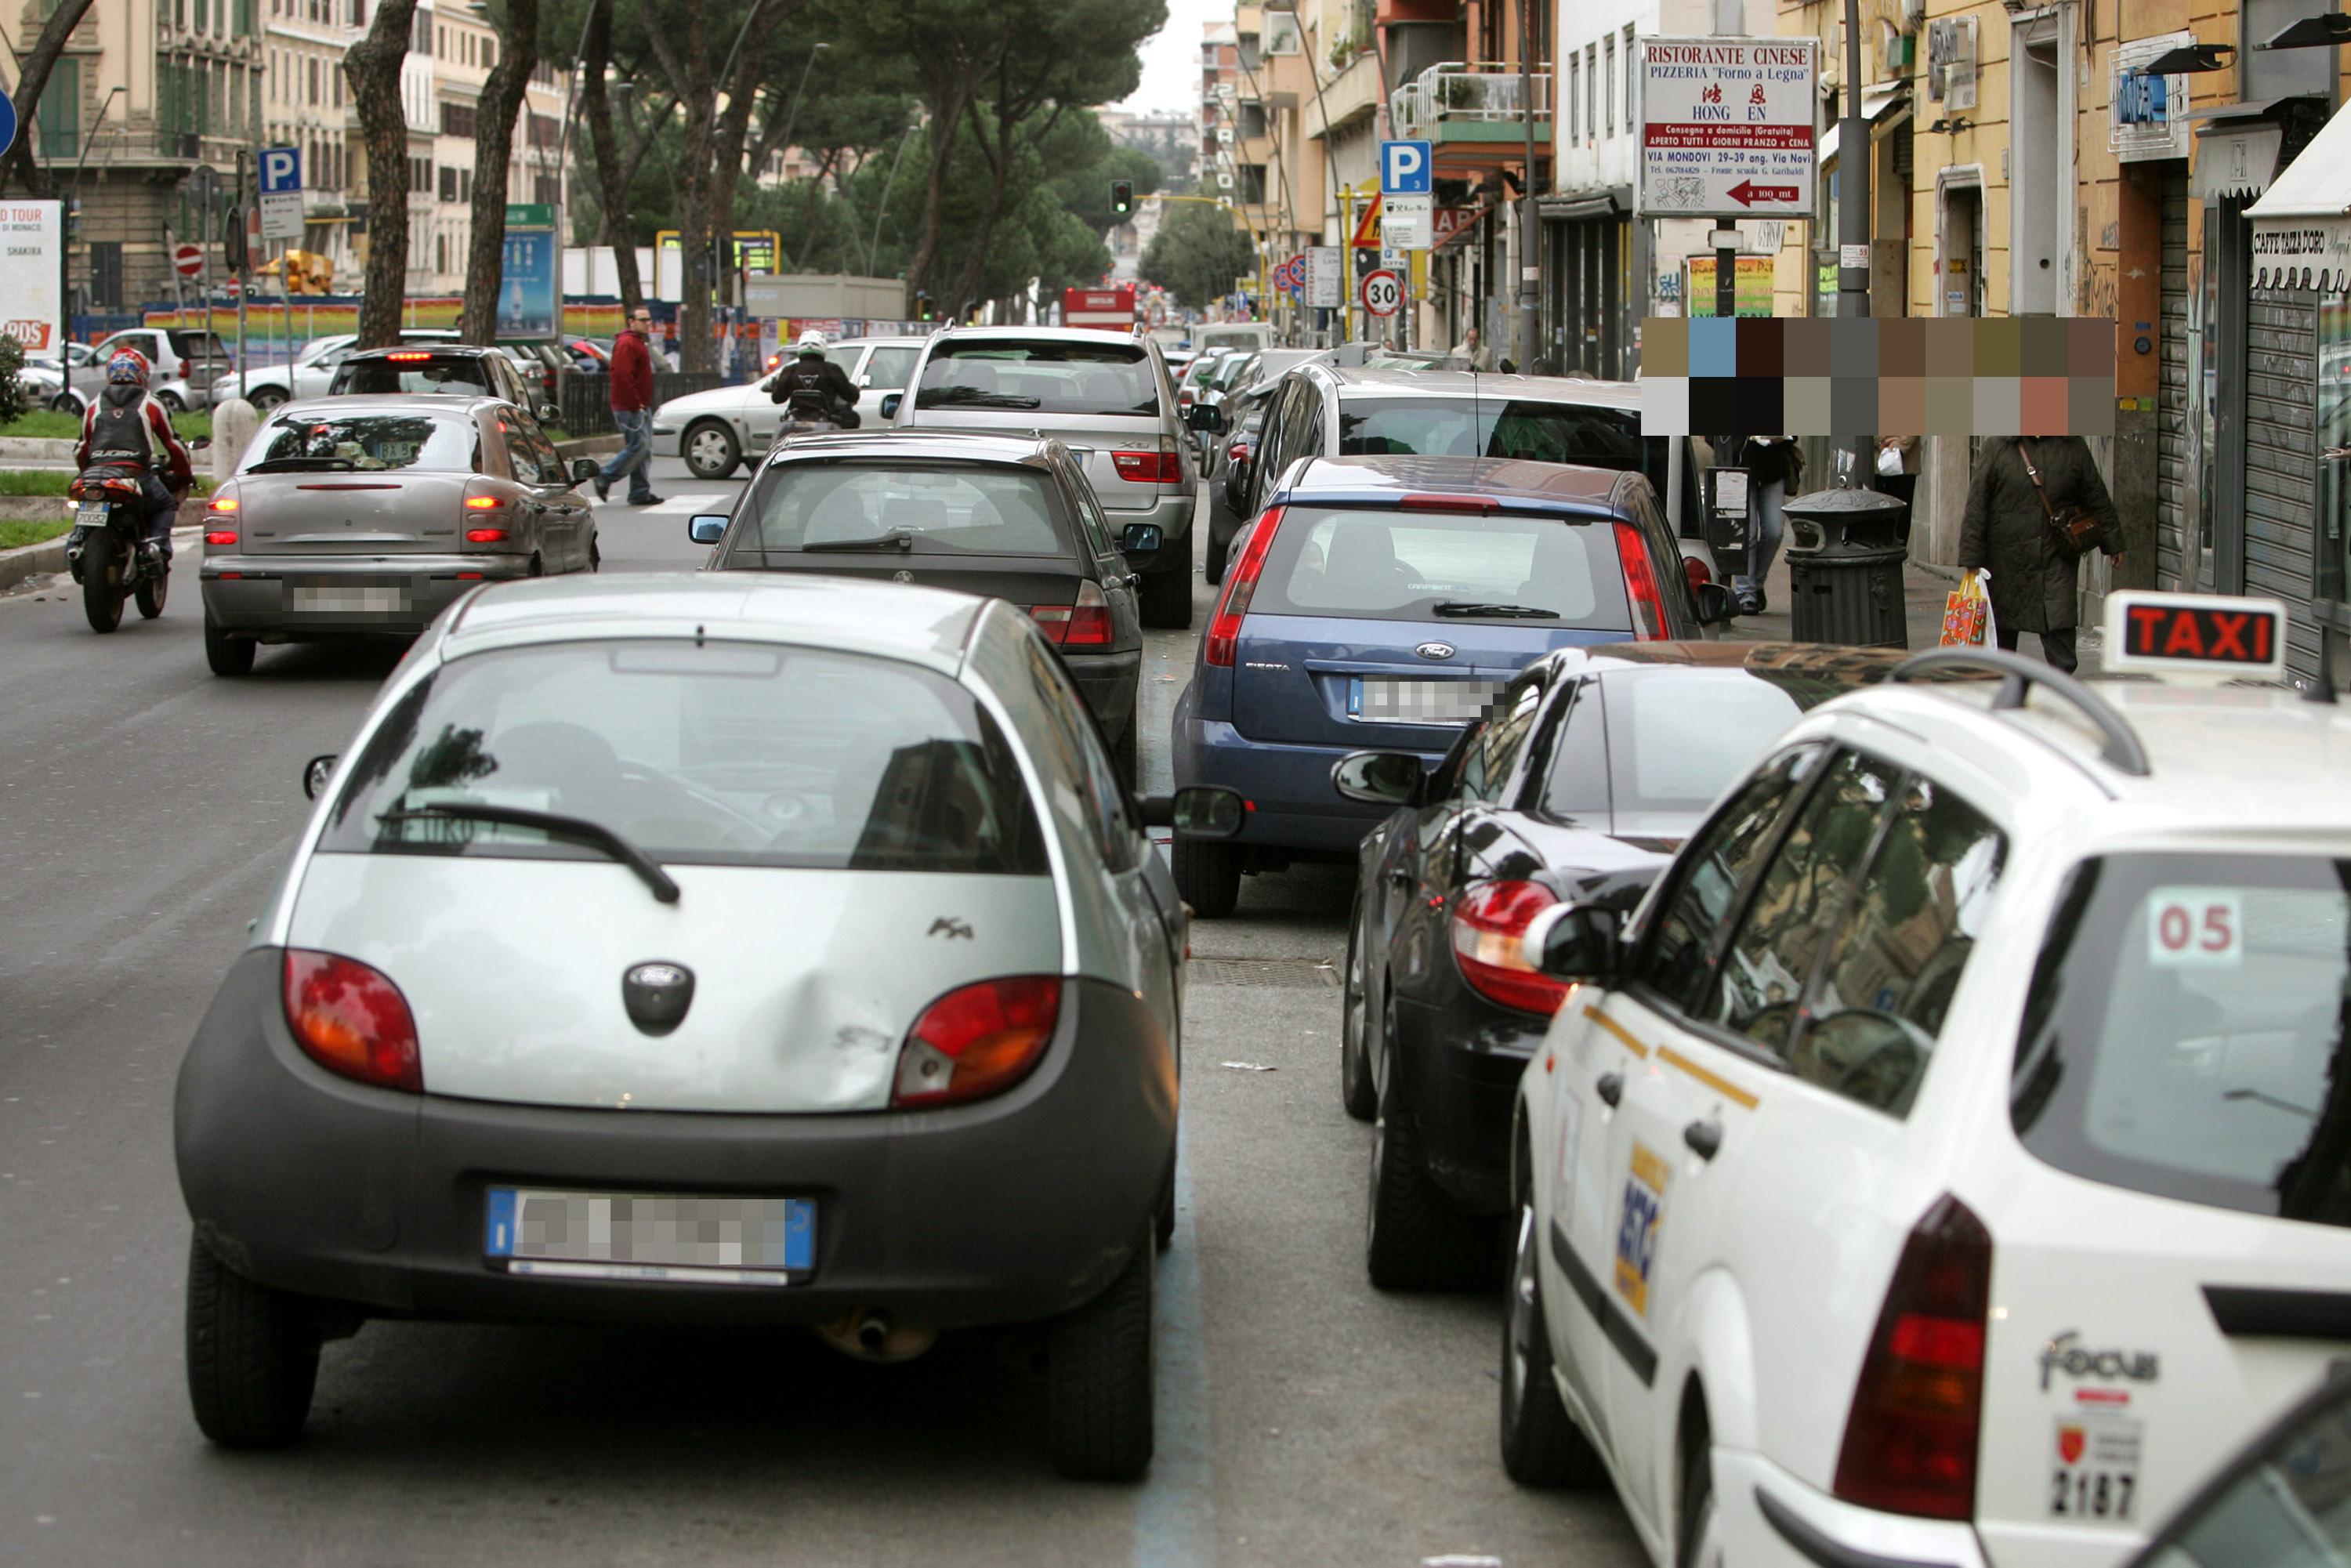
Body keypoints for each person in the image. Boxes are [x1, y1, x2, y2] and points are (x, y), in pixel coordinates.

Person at [1958, 435, 2123, 675]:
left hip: (2056, 553)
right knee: (2002, 625)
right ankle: (2001, 679)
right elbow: (1977, 504)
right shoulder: (1998, 447)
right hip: (2005, 557)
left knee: (2059, 618)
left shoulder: (2072, 446)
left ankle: (2061, 680)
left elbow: (2096, 495)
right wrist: (1972, 557)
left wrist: (2113, 542)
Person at [76, 349, 192, 566]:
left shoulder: (94, 405)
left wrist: (87, 473)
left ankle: (75, 544)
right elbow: (173, 444)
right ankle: (156, 548)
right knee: (165, 505)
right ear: (142, 375)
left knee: (85, 504)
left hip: (96, 475)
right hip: (135, 474)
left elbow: (81, 448)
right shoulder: (150, 403)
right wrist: (184, 476)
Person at [595, 306, 660, 505]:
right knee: (638, 446)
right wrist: (635, 402)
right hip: (630, 406)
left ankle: (639, 492)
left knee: (644, 449)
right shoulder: (627, 343)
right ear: (631, 322)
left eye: (649, 320)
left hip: (639, 405)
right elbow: (622, 376)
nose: (648, 323)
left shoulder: (637, 342)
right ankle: (605, 476)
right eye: (643, 320)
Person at [1732, 435, 1800, 615]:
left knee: (1774, 532)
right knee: (1748, 533)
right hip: (1739, 468)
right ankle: (1745, 593)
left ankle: (1756, 584)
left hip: (1773, 469)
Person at [768, 329, 860, 437]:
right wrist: (855, 389)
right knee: (853, 418)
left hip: (795, 420)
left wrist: (775, 384)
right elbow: (850, 395)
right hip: (826, 419)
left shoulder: (789, 370)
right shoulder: (832, 369)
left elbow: (777, 399)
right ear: (823, 347)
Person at [1875, 434, 1918, 540]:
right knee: (1876, 516)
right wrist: (1880, 440)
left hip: (1905, 465)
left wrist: (1901, 443)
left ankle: (1898, 545)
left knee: (1901, 518)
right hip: (1875, 464)